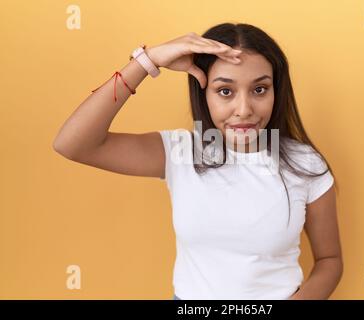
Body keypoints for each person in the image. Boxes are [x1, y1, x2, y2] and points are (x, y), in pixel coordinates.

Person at [53, 22, 343, 300]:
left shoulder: (305, 164)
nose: (244, 109)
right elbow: (73, 144)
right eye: (225, 91)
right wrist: (147, 60)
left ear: (276, 91)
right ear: (203, 92)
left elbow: (329, 260)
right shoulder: (180, 152)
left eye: (259, 89)